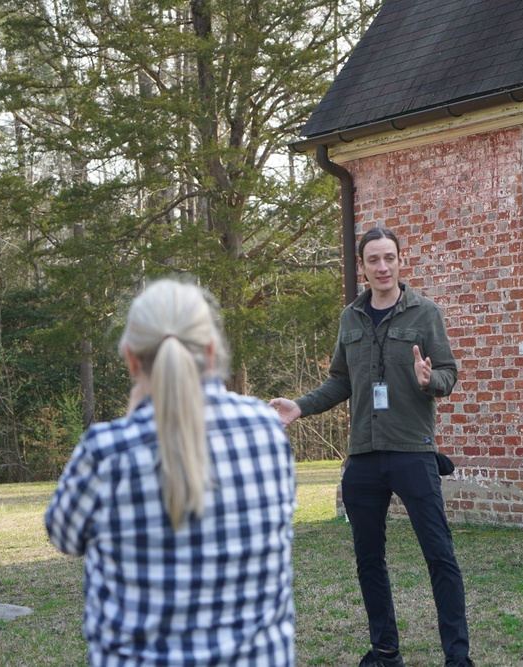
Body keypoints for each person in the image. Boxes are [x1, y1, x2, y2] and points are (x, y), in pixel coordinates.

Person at [45, 279, 296, 667]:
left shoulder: (106, 451)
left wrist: (133, 421)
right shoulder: (265, 429)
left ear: (130, 358)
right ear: (212, 352)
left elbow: (63, 535)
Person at [270, 227, 473, 667]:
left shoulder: (425, 313)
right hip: (362, 455)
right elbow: (341, 381)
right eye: (373, 260)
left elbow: (449, 375)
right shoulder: (351, 318)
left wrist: (429, 380)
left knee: (439, 555)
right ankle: (385, 652)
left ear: (401, 260)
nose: (382, 267)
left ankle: (458, 657)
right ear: (362, 267)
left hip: (412, 452)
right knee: (368, 560)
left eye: (389, 258)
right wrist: (299, 408)